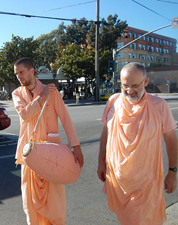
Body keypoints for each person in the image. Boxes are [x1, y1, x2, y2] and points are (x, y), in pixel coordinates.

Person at [97, 62, 178, 225]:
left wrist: (173, 171)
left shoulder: (159, 106)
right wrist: (101, 163)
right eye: (125, 85)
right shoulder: (113, 102)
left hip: (146, 183)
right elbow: (106, 133)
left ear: (145, 82)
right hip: (119, 181)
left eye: (135, 85)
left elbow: (171, 139)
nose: (129, 90)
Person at [12, 57, 84, 225]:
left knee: (55, 201)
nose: (19, 77)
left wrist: (76, 147)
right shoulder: (17, 94)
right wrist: (41, 98)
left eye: (21, 72)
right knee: (30, 202)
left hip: (52, 153)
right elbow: (24, 114)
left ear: (32, 70)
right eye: (16, 74)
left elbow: (66, 120)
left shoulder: (51, 91)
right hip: (29, 153)